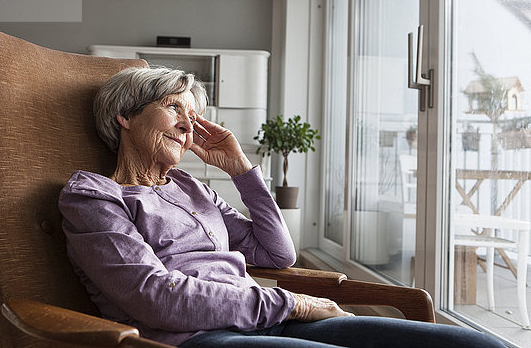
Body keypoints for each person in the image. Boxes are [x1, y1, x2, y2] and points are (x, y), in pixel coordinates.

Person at [59, 67, 503, 348]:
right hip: (196, 337)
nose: (187, 126)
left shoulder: (190, 187)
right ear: (125, 116)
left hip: (265, 320)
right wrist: (296, 304)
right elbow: (156, 299)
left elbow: (277, 255)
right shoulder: (94, 197)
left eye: (191, 116)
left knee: (481, 346)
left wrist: (241, 170)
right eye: (174, 107)